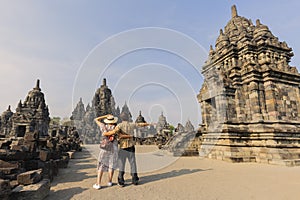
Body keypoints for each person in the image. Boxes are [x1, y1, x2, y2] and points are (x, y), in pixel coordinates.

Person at [105, 112, 149, 186]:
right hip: (131, 146)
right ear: (128, 118)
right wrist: (147, 124)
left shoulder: (119, 125)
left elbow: (113, 132)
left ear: (121, 118)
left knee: (121, 163)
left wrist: (105, 134)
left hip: (123, 147)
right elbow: (140, 125)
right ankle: (135, 180)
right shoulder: (132, 124)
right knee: (133, 163)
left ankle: (121, 181)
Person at [93, 114, 119, 190]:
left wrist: (105, 116)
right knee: (111, 164)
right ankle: (109, 182)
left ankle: (98, 184)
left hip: (105, 147)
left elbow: (96, 119)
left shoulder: (103, 126)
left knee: (101, 164)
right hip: (113, 147)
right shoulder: (117, 127)